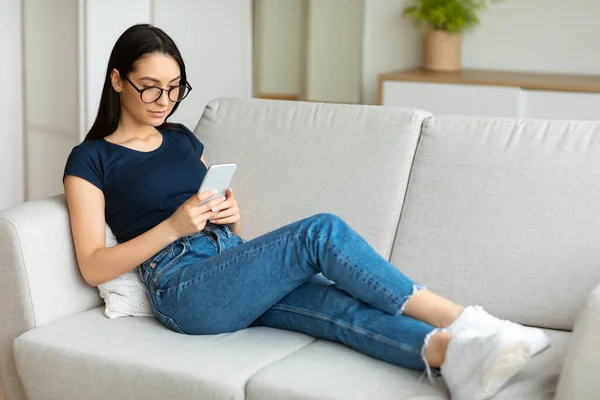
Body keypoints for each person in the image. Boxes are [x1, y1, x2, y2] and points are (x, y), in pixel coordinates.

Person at [63, 24, 550, 400]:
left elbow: (216, 218)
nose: (163, 101)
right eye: (150, 87)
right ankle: (465, 319)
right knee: (320, 232)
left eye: (174, 88)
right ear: (117, 80)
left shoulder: (181, 138)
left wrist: (227, 215)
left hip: (226, 260)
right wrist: (172, 227)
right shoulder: (91, 158)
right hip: (181, 288)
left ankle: (452, 356)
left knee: (337, 306)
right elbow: (92, 263)